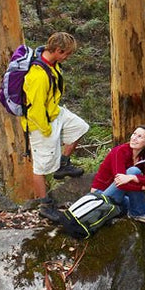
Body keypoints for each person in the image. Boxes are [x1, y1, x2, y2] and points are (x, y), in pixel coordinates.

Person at [91, 125, 145, 278]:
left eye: (139, 137)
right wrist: (139, 184)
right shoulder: (120, 151)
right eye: (134, 134)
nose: (134, 138)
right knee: (133, 171)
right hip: (103, 195)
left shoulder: (144, 158)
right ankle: (138, 213)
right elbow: (119, 181)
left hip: (122, 197)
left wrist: (135, 179)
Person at [22, 32, 88, 198]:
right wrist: (46, 131)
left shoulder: (52, 64)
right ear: (58, 50)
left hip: (54, 112)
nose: (68, 57)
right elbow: (35, 110)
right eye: (67, 53)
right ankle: (43, 204)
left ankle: (62, 164)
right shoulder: (38, 75)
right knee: (41, 167)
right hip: (40, 123)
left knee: (80, 128)